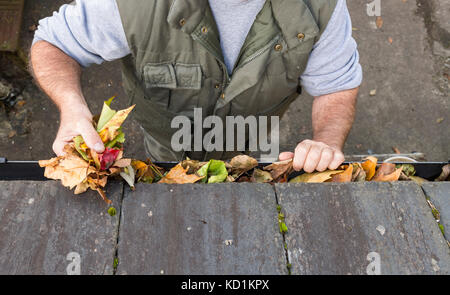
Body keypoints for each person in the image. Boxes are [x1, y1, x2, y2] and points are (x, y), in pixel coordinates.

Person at [30, 0, 362, 173]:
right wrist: (71, 108)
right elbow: (53, 43)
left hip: (247, 141)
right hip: (165, 143)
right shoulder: (132, 6)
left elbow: (336, 85)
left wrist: (327, 142)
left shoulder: (321, 7)